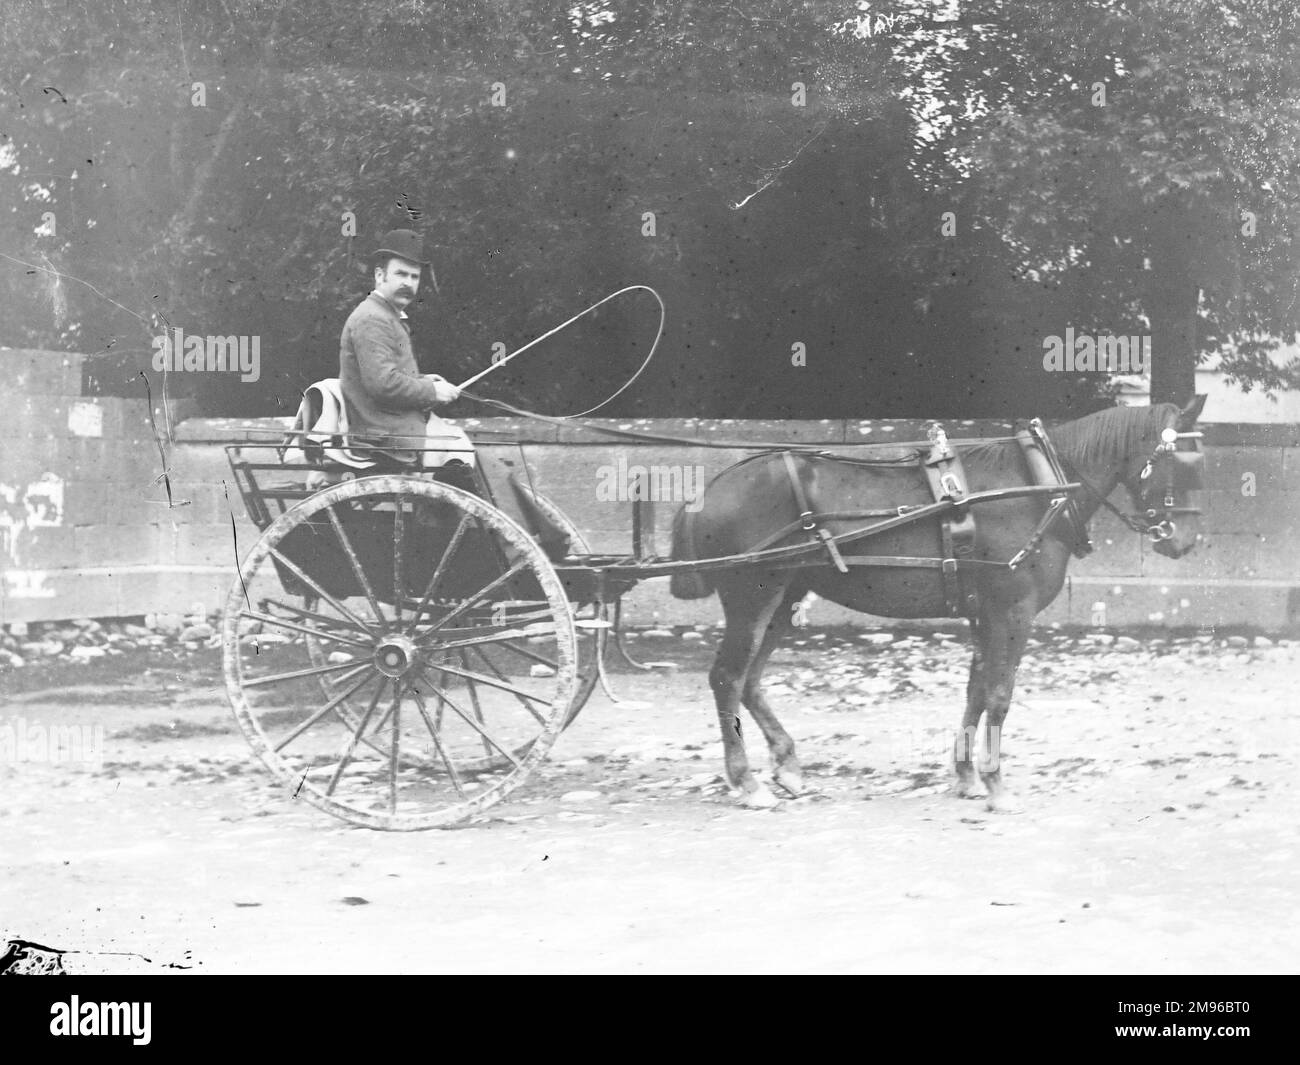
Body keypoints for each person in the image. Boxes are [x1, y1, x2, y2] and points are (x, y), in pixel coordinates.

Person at [338, 228, 462, 466]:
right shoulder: (373, 318)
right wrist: (431, 392)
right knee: (460, 455)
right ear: (380, 276)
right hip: (384, 439)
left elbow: (384, 374)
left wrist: (425, 380)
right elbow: (383, 385)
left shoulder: (388, 316)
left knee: (463, 450)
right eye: (401, 274)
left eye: (414, 277)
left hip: (393, 430)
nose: (408, 283)